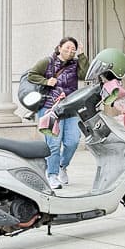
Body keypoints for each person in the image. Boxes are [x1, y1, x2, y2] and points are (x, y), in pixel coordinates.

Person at [27, 37, 89, 190]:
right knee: (54, 144)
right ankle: (52, 175)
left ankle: (63, 166)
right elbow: (31, 75)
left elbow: (85, 75)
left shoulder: (75, 64)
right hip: (50, 108)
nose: (70, 51)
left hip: (70, 108)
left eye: (73, 49)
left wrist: (81, 55)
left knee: (73, 141)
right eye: (67, 48)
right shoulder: (46, 62)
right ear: (59, 48)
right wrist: (46, 81)